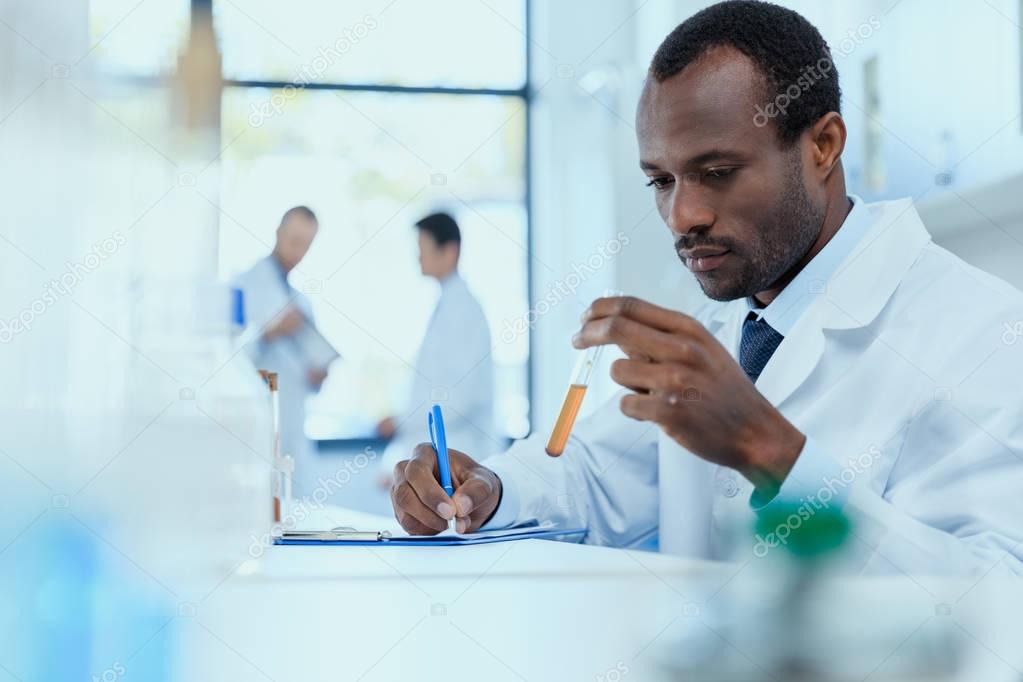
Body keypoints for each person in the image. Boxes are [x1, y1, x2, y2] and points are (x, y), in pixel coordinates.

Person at [389, 1, 1023, 577]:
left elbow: (998, 608)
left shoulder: (985, 332)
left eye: (716, 172)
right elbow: (593, 475)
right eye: (660, 181)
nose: (682, 216)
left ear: (823, 145)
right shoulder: (733, 331)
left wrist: (769, 450)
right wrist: (486, 489)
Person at [377, 212, 495, 486]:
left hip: (461, 455)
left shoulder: (465, 312)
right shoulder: (446, 306)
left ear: (449, 251)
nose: (418, 257)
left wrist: (400, 421)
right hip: (443, 455)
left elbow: (459, 398)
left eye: (423, 249)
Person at [235, 206, 329, 480]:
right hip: (256, 423)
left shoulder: (302, 302)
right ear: (278, 232)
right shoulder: (244, 284)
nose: (297, 251)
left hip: (293, 425)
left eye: (305, 245)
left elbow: (308, 374)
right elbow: (229, 358)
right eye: (294, 240)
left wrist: (318, 374)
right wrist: (269, 333)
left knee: (292, 504)